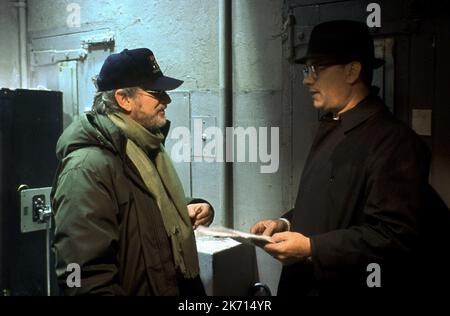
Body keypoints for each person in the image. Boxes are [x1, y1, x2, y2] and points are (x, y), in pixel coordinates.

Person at [251, 20, 449, 295]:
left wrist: (311, 248)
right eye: (307, 70)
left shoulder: (394, 142)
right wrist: (284, 223)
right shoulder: (333, 125)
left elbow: (394, 237)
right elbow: (331, 206)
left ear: (352, 71)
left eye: (316, 69)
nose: (307, 79)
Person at [51, 48, 214, 296]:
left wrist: (189, 206)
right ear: (124, 99)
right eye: (155, 92)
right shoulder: (86, 169)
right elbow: (80, 276)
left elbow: (144, 204)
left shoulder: (141, 147)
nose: (166, 100)